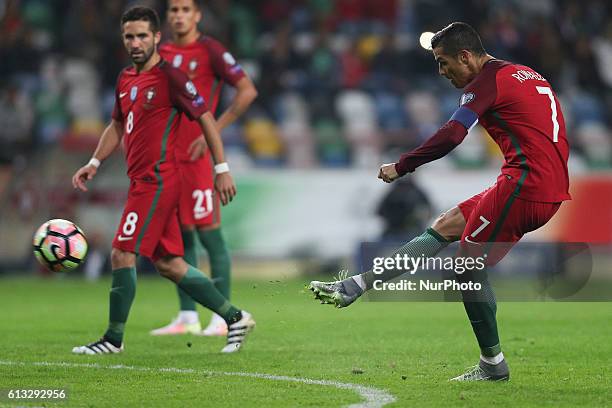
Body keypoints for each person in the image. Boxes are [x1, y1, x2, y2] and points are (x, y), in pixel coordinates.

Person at [309, 22, 570, 381]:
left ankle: (492, 365)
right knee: (447, 224)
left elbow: (452, 135)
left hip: (526, 185)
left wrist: (402, 166)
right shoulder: (525, 73)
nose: (441, 72)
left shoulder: (486, 83)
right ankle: (355, 286)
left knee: (465, 267)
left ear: (465, 56)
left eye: (444, 62)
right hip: (541, 182)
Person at [70, 6, 255, 355]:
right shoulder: (126, 78)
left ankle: (112, 339)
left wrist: (221, 168)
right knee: (170, 264)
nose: (136, 42)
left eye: (142, 35)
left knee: (122, 252)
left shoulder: (172, 77)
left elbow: (205, 119)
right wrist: (94, 161)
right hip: (141, 181)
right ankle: (236, 318)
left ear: (157, 37)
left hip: (157, 181)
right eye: (129, 36)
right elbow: (116, 125)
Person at [150, 0, 257, 337]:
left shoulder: (210, 49)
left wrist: (215, 131)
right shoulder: (161, 52)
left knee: (210, 235)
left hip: (197, 159)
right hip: (169, 157)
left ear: (196, 15)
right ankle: (187, 316)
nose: (179, 15)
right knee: (180, 237)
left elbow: (247, 90)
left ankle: (222, 316)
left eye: (185, 9)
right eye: (174, 10)